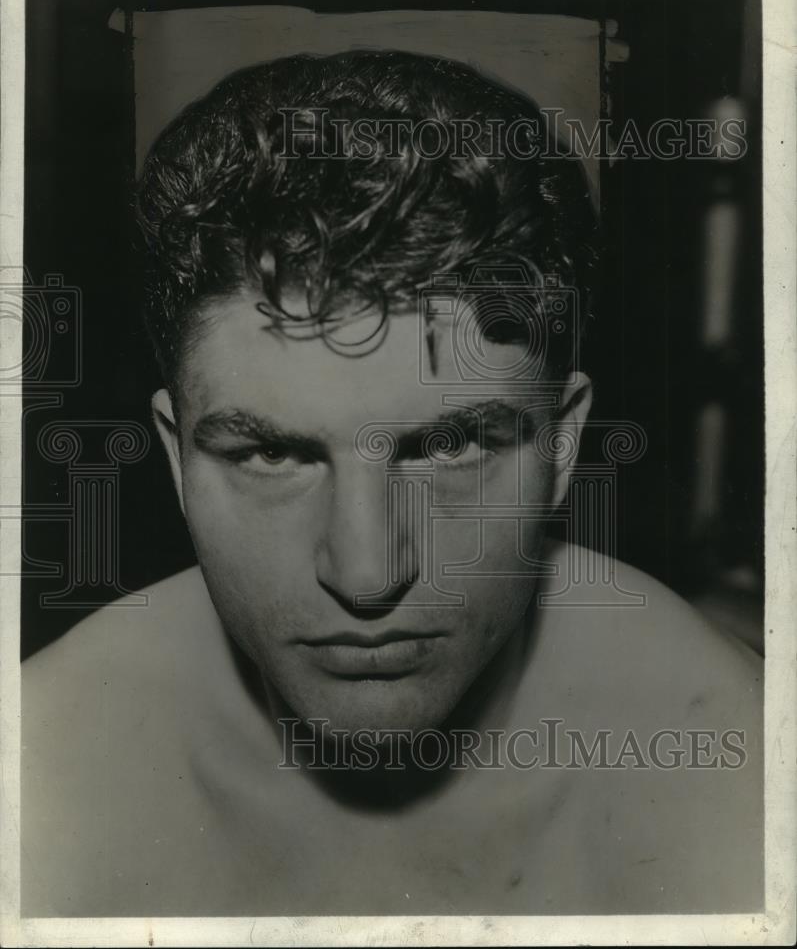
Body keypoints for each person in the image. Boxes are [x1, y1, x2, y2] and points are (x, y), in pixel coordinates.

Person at [22, 51, 762, 917]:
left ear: (561, 446)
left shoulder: (734, 771)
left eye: (449, 448)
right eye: (272, 456)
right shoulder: (41, 769)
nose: (367, 575)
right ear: (177, 458)